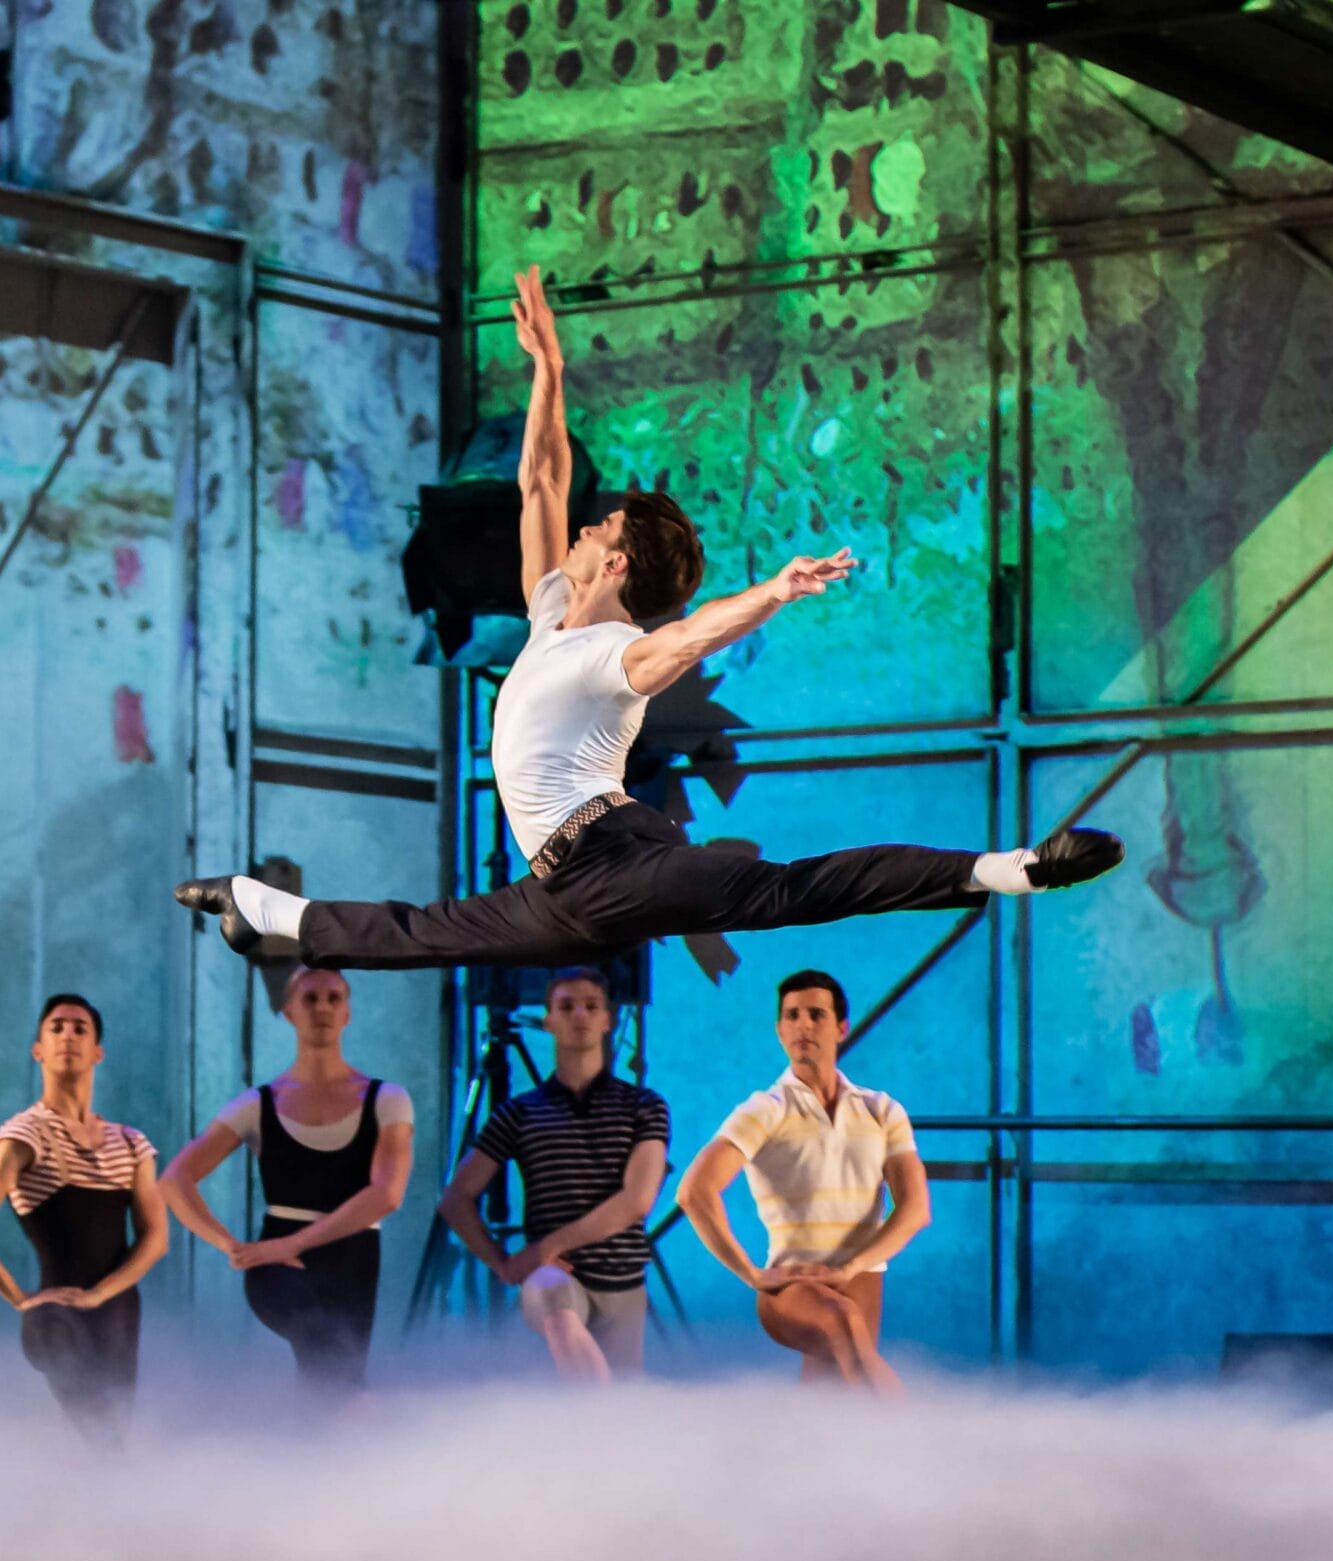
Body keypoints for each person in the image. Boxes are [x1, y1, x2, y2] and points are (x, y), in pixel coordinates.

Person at [174, 265, 1123, 971]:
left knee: (788, 893)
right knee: (430, 934)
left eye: (603, 526)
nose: (583, 525)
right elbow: (541, 475)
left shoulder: (610, 653)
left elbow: (688, 636)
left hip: (619, 859)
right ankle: (253, 907)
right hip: (566, 885)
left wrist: (774, 592)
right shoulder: (552, 606)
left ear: (616, 561)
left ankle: (1013, 869)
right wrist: (547, 367)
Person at [159, 967, 415, 1392]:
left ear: (348, 1013)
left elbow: (387, 1194)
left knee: (339, 1375)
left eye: (334, 998)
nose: (323, 1008)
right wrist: (233, 1247)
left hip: (351, 1258)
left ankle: (320, 1452)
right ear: (288, 1011)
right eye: (310, 999)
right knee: (321, 1342)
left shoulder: (386, 1099)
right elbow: (174, 1180)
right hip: (277, 1264)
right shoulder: (257, 1104)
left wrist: (295, 1243)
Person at [676, 968, 928, 1397]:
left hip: (861, 1277)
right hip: (794, 1286)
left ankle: (789, 1457)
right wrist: (751, 1274)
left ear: (841, 1027)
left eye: (816, 1014)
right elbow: (694, 1192)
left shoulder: (881, 1109)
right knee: (844, 1331)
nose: (803, 1025)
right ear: (779, 1030)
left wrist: (850, 1267)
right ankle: (928, 1450)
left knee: (832, 1395)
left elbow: (916, 1209)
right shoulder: (766, 1109)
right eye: (792, 1016)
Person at [0, 993, 169, 1443]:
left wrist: (101, 1293)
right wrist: (18, 1298)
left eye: (80, 1028)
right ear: (38, 1050)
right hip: (55, 1314)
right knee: (94, 1426)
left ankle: (98, 1504)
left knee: (114, 1431)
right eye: (57, 1028)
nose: (68, 1035)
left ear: (97, 1052)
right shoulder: (25, 1134)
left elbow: (156, 1239)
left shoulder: (130, 1144)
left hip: (118, 1306)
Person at [427, 966, 668, 1381]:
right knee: (558, 1311)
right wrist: (502, 1263)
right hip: (556, 1276)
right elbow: (456, 1198)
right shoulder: (520, 1113)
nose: (579, 1016)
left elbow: (637, 1201)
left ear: (607, 1018)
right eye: (567, 1007)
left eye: (591, 1006)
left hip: (622, 1278)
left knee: (625, 1404)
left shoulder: (643, 1105)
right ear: (549, 1019)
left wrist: (543, 1247)